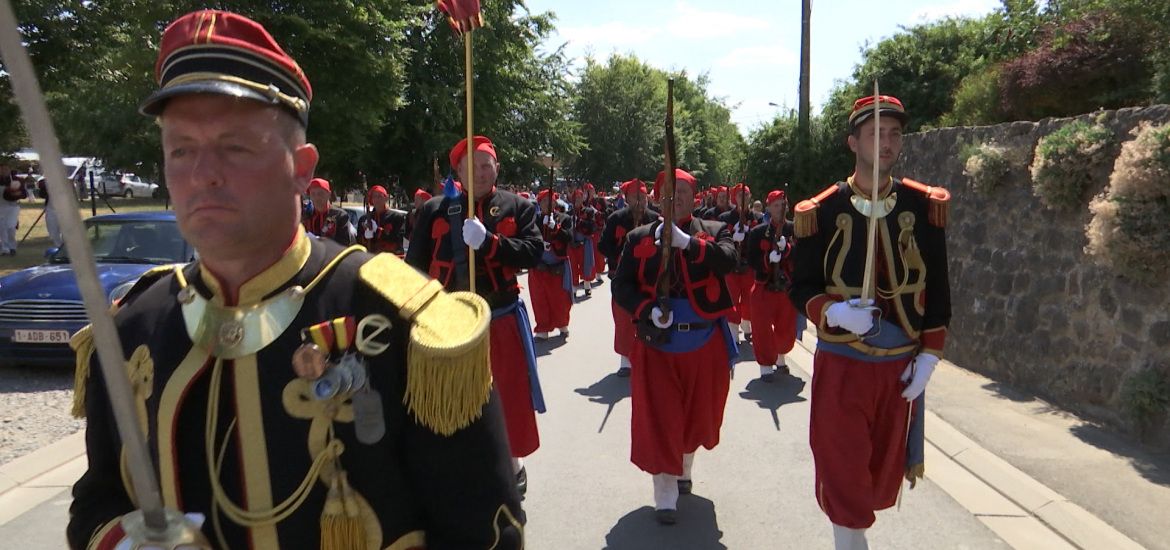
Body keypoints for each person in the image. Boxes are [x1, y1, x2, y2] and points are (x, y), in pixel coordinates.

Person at [66, 10, 524, 550]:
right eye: (181, 149)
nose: (203, 172)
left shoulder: (400, 321)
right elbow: (98, 499)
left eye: (235, 146)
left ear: (303, 168)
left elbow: (483, 532)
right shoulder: (131, 328)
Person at [789, 94, 951, 550]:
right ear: (852, 142)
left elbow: (937, 286)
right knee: (842, 467)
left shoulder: (923, 207)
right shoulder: (820, 211)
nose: (887, 142)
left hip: (900, 366)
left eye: (895, 133)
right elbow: (800, 288)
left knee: (881, 473)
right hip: (843, 362)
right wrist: (834, 312)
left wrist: (931, 357)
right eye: (876, 133)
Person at [406, 134, 545, 494]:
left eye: (486, 165)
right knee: (451, 397)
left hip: (499, 317)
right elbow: (415, 266)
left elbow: (532, 252)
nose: (480, 173)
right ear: (458, 172)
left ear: (497, 167)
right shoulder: (435, 210)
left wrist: (490, 243)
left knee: (507, 396)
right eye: (472, 167)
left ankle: (511, 464)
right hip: (447, 322)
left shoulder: (518, 207)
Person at [612, 168, 738, 525]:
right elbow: (621, 286)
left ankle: (684, 464)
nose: (674, 197)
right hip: (658, 343)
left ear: (694, 197)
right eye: (668, 191)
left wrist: (689, 244)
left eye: (681, 191)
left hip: (705, 342)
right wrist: (646, 309)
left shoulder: (714, 231)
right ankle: (664, 490)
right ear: (656, 197)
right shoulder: (638, 237)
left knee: (700, 415)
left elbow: (730, 259)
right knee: (660, 417)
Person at [598, 178, 658, 377]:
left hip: (649, 278)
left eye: (643, 197)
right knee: (623, 320)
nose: (640, 201)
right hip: (622, 277)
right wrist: (621, 253)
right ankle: (626, 361)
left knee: (649, 317)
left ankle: (650, 357)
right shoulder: (616, 218)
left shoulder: (656, 219)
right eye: (635, 197)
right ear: (627, 198)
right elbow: (603, 245)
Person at [746, 190, 797, 382]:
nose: (779, 209)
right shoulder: (758, 232)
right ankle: (766, 364)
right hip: (763, 287)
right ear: (768, 208)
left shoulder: (794, 229)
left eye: (783, 205)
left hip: (786, 289)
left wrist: (788, 250)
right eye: (776, 205)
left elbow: (802, 256)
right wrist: (768, 260)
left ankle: (781, 357)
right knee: (762, 328)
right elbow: (752, 259)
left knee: (786, 327)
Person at [718, 183, 763, 343]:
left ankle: (746, 324)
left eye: (746, 195)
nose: (743, 199)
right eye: (739, 196)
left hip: (749, 265)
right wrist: (732, 235)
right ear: (734, 198)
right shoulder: (725, 218)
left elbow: (761, 242)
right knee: (731, 299)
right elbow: (721, 240)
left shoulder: (757, 218)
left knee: (748, 299)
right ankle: (733, 332)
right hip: (731, 266)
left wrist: (749, 235)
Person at [529, 189, 573, 339]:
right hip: (539, 265)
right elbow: (528, 237)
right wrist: (540, 243)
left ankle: (562, 324)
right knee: (539, 298)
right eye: (544, 201)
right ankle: (543, 328)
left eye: (550, 201)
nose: (547, 204)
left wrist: (556, 228)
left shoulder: (564, 218)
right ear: (539, 204)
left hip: (557, 266)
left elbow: (569, 237)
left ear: (555, 203)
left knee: (559, 299)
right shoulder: (533, 219)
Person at [355, 185, 407, 256]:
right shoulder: (364, 219)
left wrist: (377, 230)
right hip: (370, 258)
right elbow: (359, 242)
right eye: (374, 196)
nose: (377, 199)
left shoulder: (396, 217)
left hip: (391, 259)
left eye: (380, 196)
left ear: (386, 198)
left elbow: (397, 239)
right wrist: (365, 233)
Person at [302, 177, 355, 246]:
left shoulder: (339, 215)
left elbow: (344, 243)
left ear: (329, 194)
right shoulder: (306, 216)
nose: (316, 198)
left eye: (320, 194)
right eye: (313, 194)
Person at [568, 188, 600, 296]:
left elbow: (592, 226)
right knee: (572, 266)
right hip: (572, 244)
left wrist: (580, 222)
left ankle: (587, 286)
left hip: (585, 242)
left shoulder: (588, 211)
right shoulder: (569, 213)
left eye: (580, 197)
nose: (578, 200)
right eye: (576, 198)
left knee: (586, 264)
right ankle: (574, 288)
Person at [0, 164, 26, 256]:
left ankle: (12, 247)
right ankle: (4, 248)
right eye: (2, 169)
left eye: (6, 169)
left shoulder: (17, 180)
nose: (4, 171)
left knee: (11, 227)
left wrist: (16, 193)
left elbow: (24, 194)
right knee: (2, 228)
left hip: (13, 207)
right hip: (0, 207)